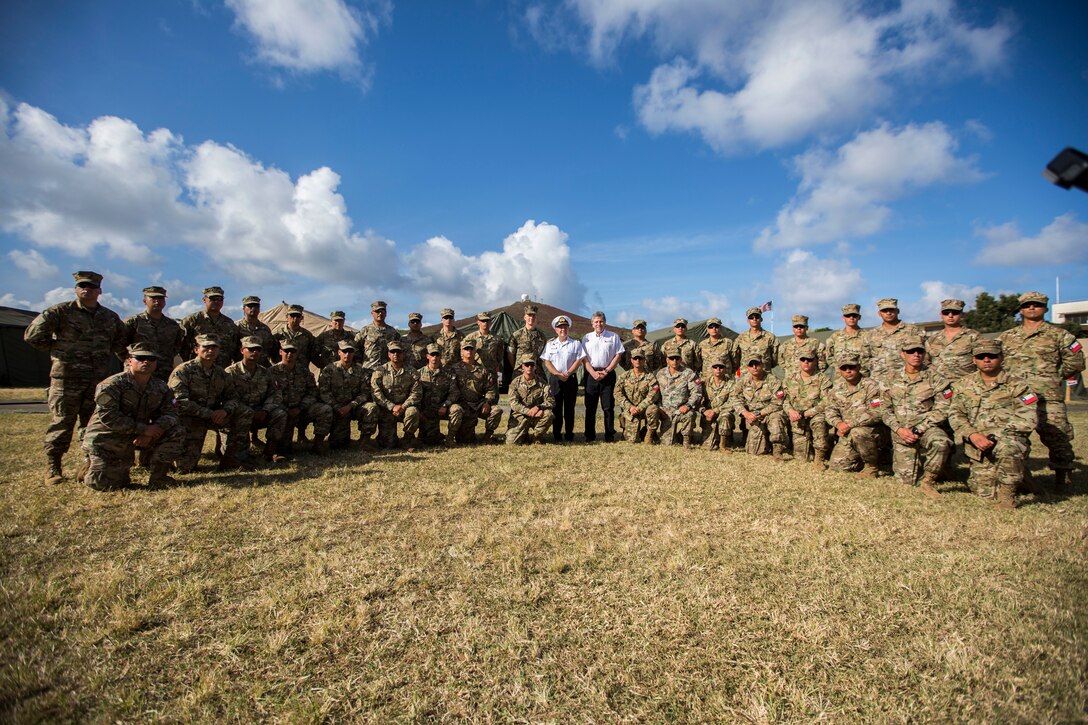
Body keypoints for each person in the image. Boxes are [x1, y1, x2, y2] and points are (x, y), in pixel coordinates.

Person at [24, 271, 126, 485]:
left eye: (90, 286)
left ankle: (89, 463)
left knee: (93, 424)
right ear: (76, 289)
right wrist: (58, 350)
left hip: (97, 380)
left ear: (99, 291)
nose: (86, 289)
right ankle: (54, 467)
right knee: (62, 423)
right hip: (66, 379)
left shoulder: (109, 317)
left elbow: (120, 343)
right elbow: (33, 335)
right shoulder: (60, 312)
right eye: (82, 285)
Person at [998, 292, 1085, 488]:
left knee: (1058, 438)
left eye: (1036, 305)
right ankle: (1021, 478)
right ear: (1021, 310)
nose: (1031, 308)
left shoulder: (1060, 335)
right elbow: (998, 362)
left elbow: (1076, 362)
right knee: (1014, 437)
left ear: (1045, 308)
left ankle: (1063, 479)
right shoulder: (1007, 337)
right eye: (1027, 305)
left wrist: (1052, 376)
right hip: (1016, 398)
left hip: (1048, 396)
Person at [78, 343, 185, 491]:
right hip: (108, 436)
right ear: (129, 361)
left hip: (141, 432)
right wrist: (143, 429)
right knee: (104, 485)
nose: (146, 362)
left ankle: (159, 477)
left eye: (151, 358)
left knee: (176, 431)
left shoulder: (161, 387)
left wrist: (154, 429)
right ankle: (90, 464)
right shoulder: (111, 385)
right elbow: (109, 418)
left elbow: (171, 413)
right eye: (140, 358)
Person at [948, 340, 1039, 509]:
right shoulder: (962, 385)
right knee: (984, 493)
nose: (987, 360)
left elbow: (1027, 417)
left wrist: (997, 436)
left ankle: (1007, 498)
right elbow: (955, 415)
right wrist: (973, 435)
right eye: (981, 356)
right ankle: (1022, 476)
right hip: (978, 445)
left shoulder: (1018, 385)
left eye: (992, 356)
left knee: (1009, 448)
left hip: (1007, 440)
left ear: (1001, 357)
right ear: (974, 360)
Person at [168, 334, 252, 472]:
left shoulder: (220, 373)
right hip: (190, 419)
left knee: (245, 412)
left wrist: (225, 410)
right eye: (206, 347)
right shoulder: (183, 371)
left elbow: (233, 396)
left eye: (214, 347)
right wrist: (209, 413)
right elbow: (180, 402)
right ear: (196, 350)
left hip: (214, 416)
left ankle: (232, 458)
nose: (210, 351)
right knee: (184, 468)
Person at [881, 337, 951, 498]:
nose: (916, 354)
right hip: (901, 432)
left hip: (927, 428)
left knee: (941, 442)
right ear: (902, 355)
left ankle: (929, 481)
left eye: (920, 351)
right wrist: (899, 429)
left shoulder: (937, 378)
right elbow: (884, 409)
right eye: (911, 351)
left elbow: (943, 408)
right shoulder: (890, 379)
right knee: (906, 482)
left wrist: (919, 428)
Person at [226, 337, 288, 463]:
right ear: (242, 350)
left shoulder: (265, 372)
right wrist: (246, 410)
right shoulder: (230, 372)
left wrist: (265, 410)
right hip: (237, 413)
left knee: (280, 413)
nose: (255, 352)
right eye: (251, 349)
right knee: (232, 455)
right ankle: (240, 455)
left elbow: (275, 394)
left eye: (258, 349)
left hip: (260, 412)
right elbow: (226, 396)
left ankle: (270, 451)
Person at [824, 355, 884, 477]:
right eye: (844, 368)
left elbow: (877, 412)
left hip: (872, 432)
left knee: (858, 432)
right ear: (839, 371)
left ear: (859, 367)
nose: (848, 371)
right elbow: (830, 410)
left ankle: (871, 467)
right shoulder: (837, 390)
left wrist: (850, 424)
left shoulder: (871, 386)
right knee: (837, 466)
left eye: (851, 367)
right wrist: (838, 424)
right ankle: (865, 459)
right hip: (847, 433)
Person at [269, 340, 333, 455]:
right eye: (286, 351)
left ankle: (318, 444)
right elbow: (269, 395)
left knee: (325, 409)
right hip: (281, 411)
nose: (289, 354)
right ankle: (272, 449)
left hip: (301, 410)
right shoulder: (271, 372)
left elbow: (313, 392)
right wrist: (285, 409)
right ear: (280, 352)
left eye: (293, 351)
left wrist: (300, 408)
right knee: (284, 449)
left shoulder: (304, 372)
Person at [319, 340, 378, 450]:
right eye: (344, 351)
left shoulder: (361, 371)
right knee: (338, 445)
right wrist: (337, 407)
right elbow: (324, 392)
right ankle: (318, 442)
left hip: (354, 407)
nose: (347, 354)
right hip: (336, 408)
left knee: (371, 407)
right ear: (339, 352)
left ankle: (365, 441)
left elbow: (364, 393)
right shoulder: (329, 370)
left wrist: (351, 405)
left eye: (350, 352)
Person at [122, 285, 185, 381]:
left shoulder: (172, 325)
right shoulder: (134, 322)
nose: (157, 301)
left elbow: (177, 346)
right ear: (144, 301)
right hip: (138, 370)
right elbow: (119, 343)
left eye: (160, 298)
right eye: (153, 298)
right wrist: (131, 360)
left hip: (163, 371)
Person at [783, 351, 832, 468]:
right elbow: (783, 400)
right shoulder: (789, 379)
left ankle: (819, 458)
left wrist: (809, 412)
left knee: (820, 422)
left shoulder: (823, 379)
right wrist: (790, 411)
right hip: (798, 420)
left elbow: (827, 401)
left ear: (815, 361)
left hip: (815, 415)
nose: (806, 362)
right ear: (799, 361)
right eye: (803, 359)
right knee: (801, 459)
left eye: (810, 360)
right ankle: (822, 444)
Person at [581, 311, 625, 442]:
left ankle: (609, 435)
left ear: (604, 322)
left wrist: (607, 370)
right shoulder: (586, 338)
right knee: (590, 407)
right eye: (596, 322)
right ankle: (589, 436)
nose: (598, 324)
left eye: (601, 321)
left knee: (608, 407)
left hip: (608, 374)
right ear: (592, 324)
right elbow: (584, 358)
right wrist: (593, 373)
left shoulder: (613, 336)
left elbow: (618, 355)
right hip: (591, 375)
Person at [732, 358, 789, 459]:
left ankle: (777, 450)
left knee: (776, 420)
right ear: (748, 368)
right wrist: (746, 414)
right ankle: (766, 440)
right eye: (751, 365)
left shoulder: (773, 380)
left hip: (770, 413)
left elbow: (778, 403)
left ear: (762, 365)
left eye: (757, 364)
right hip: (753, 417)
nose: (754, 367)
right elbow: (736, 399)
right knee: (754, 451)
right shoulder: (743, 381)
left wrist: (759, 413)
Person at [541, 316, 586, 442]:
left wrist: (568, 372)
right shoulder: (550, 344)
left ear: (568, 328)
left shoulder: (575, 343)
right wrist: (557, 373)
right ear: (556, 330)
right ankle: (556, 434)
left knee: (569, 408)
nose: (563, 330)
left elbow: (579, 359)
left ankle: (569, 434)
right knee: (556, 407)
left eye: (565, 327)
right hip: (555, 379)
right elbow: (547, 362)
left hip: (570, 378)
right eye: (560, 327)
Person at [371, 340, 422, 450]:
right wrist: (391, 406)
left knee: (413, 411)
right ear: (389, 354)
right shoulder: (380, 371)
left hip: (405, 408)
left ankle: (408, 440)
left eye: (398, 352)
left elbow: (416, 393)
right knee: (388, 445)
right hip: (387, 410)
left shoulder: (412, 371)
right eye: (393, 352)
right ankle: (383, 438)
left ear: (403, 354)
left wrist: (403, 406)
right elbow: (376, 392)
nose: (396, 354)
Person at [451, 340, 503, 444]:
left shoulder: (482, 370)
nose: (469, 351)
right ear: (462, 352)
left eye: (471, 349)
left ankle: (487, 436)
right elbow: (452, 389)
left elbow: (490, 389)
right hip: (463, 405)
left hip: (479, 405)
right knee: (465, 440)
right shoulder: (454, 369)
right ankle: (452, 436)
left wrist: (487, 402)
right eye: (466, 349)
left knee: (496, 410)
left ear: (475, 351)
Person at [864, 298, 926, 384]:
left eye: (891, 310)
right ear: (879, 313)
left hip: (907, 381)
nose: (888, 313)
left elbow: (925, 355)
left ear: (898, 311)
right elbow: (864, 359)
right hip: (880, 381)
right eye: (884, 310)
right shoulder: (871, 334)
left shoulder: (913, 331)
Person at [924, 299, 981, 387]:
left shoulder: (973, 337)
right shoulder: (933, 339)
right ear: (941, 315)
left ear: (962, 314)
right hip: (940, 389)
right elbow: (925, 362)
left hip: (966, 388)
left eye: (955, 312)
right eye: (946, 312)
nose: (950, 315)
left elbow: (983, 362)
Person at [418, 343, 463, 447]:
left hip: (443, 408)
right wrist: (420, 411)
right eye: (432, 354)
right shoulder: (419, 373)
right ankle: (415, 438)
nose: (434, 357)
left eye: (437, 355)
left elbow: (454, 392)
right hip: (426, 410)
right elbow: (415, 394)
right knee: (430, 441)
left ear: (440, 356)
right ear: (427, 356)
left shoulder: (448, 373)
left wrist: (445, 405)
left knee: (457, 409)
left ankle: (450, 438)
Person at [180, 286, 239, 366]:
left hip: (221, 369)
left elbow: (234, 348)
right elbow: (180, 344)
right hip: (197, 370)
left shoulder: (229, 323)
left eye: (220, 299)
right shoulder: (192, 320)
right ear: (204, 300)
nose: (216, 302)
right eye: (212, 298)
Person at [655, 352, 703, 448]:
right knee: (667, 443)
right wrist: (659, 408)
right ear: (667, 360)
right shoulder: (660, 374)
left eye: (677, 358)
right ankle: (651, 433)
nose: (674, 361)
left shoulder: (688, 373)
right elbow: (655, 394)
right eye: (671, 358)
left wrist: (688, 405)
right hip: (666, 411)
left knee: (690, 414)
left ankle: (686, 440)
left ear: (681, 360)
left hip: (682, 410)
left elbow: (696, 392)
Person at [507, 356, 555, 445]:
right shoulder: (515, 383)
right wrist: (529, 411)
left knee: (548, 415)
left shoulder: (542, 383)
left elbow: (551, 401)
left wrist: (539, 407)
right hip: (520, 416)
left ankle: (536, 437)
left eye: (532, 365)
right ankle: (524, 435)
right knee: (511, 442)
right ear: (522, 367)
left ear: (535, 367)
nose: (529, 367)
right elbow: (514, 403)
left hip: (537, 415)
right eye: (527, 365)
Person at [616, 352, 660, 444]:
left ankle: (649, 433)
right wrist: (630, 407)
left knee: (653, 409)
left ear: (644, 361)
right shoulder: (624, 376)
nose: (637, 361)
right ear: (631, 360)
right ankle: (631, 431)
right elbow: (617, 393)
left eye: (640, 359)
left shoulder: (650, 377)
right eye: (635, 358)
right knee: (632, 440)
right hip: (630, 410)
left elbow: (653, 394)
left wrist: (640, 407)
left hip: (644, 409)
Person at [699, 356, 735, 452]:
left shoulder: (731, 384)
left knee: (725, 416)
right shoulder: (704, 383)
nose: (718, 369)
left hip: (722, 413)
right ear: (711, 369)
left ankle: (723, 445)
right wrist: (704, 411)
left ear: (725, 369)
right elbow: (697, 400)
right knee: (708, 447)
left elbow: (733, 402)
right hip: (708, 416)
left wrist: (716, 410)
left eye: (721, 367)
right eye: (715, 367)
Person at [826, 304, 870, 377]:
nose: (851, 318)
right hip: (841, 379)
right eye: (848, 316)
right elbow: (829, 357)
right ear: (843, 318)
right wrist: (840, 368)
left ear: (859, 317)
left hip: (862, 377)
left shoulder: (868, 336)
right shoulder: (834, 337)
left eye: (854, 315)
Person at [354, 300, 400, 369]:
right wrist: (359, 362)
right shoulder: (365, 330)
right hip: (369, 370)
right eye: (377, 311)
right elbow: (355, 347)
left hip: (387, 371)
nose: (380, 313)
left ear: (386, 313)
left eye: (382, 311)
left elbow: (399, 350)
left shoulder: (393, 332)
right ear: (372, 313)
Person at [733, 307, 778, 375]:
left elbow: (775, 359)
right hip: (746, 378)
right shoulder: (741, 338)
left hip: (765, 378)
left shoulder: (770, 337)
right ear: (748, 320)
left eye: (757, 317)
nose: (754, 319)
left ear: (761, 319)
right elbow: (735, 359)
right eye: (751, 317)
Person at [235, 295, 277, 367]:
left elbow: (271, 351)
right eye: (250, 306)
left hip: (262, 370)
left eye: (256, 306)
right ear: (244, 308)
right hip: (242, 370)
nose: (253, 308)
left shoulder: (265, 329)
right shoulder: (236, 327)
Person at [507, 303, 547, 378]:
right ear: (525, 317)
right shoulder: (516, 335)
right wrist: (518, 366)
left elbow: (544, 355)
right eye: (529, 315)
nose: (531, 318)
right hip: (520, 373)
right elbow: (510, 354)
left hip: (537, 373)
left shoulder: (542, 337)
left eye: (533, 316)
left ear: (536, 318)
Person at [275, 304, 317, 370]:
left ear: (302, 318)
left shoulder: (307, 335)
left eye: (298, 316)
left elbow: (314, 354)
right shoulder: (278, 334)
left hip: (301, 373)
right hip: (281, 372)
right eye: (292, 315)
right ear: (287, 316)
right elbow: (271, 353)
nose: (295, 318)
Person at [464, 312, 505, 381]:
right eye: (483, 321)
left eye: (487, 321)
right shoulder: (470, 338)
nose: (485, 323)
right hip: (475, 373)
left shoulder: (497, 339)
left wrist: (497, 371)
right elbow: (463, 354)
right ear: (478, 322)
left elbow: (500, 356)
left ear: (490, 322)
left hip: (491, 374)